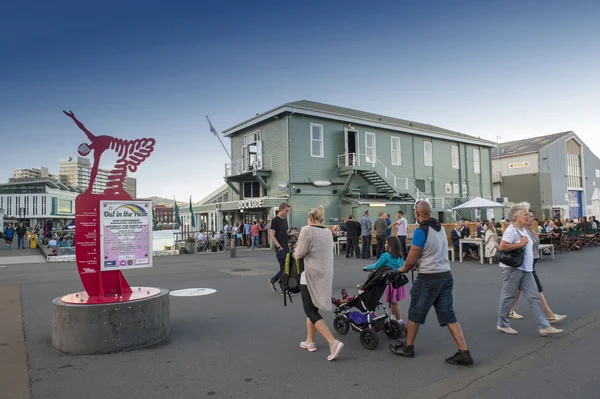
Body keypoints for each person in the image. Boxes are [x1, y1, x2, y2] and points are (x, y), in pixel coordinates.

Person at [390, 201, 474, 366]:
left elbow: (412, 257)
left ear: (417, 214)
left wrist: (402, 268)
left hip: (429, 278)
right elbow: (432, 251)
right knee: (448, 314)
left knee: (416, 312)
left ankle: (409, 347)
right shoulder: (440, 228)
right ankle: (464, 352)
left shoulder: (421, 231)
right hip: (445, 275)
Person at [496, 202, 563, 337]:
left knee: (534, 297)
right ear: (517, 216)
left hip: (525, 269)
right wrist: (519, 244)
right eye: (525, 214)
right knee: (508, 295)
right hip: (513, 269)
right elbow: (502, 246)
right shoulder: (511, 229)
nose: (528, 216)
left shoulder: (522, 229)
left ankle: (544, 326)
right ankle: (502, 324)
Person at [294, 205, 344, 361]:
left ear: (310, 217)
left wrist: (295, 247)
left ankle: (332, 342)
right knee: (313, 308)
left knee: (309, 310)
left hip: (309, 275)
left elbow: (299, 254)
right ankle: (310, 341)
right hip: (324, 274)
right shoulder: (327, 232)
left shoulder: (306, 230)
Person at [509, 212, 566, 323]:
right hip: (525, 265)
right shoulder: (520, 232)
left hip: (532, 262)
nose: (532, 219)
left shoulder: (531, 231)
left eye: (532, 217)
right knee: (537, 288)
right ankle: (549, 314)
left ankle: (508, 310)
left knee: (517, 288)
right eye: (529, 217)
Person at [362, 236, 407, 323]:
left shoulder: (385, 256)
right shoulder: (400, 256)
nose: (385, 244)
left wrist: (366, 268)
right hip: (399, 282)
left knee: (394, 303)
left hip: (390, 282)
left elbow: (376, 265)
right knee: (393, 301)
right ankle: (393, 319)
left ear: (390, 245)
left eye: (386, 243)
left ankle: (400, 322)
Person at [269, 202, 291, 293]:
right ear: (281, 209)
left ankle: (274, 280)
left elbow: (285, 233)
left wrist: (291, 234)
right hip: (280, 248)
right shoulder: (275, 220)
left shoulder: (285, 220)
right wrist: (279, 247)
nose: (287, 212)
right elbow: (272, 235)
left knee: (285, 267)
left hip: (286, 246)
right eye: (286, 210)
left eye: (288, 211)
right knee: (284, 268)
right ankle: (283, 286)